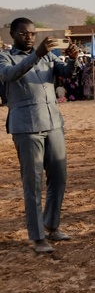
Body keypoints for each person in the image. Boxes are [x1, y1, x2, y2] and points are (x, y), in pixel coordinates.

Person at [0, 18, 80, 253]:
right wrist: (36, 54)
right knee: (32, 183)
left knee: (59, 177)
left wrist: (73, 59)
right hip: (26, 127)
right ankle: (37, 237)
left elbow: (64, 72)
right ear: (13, 34)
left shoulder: (47, 55)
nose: (29, 37)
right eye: (24, 33)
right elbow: (9, 75)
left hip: (53, 122)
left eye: (33, 34)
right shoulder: (5, 57)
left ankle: (52, 224)